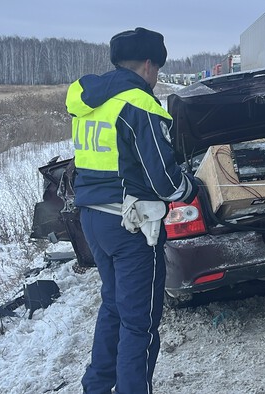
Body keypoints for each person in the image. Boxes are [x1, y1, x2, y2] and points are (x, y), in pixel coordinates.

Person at [67, 27, 199, 394]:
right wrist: (192, 187)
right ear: (147, 64)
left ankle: (95, 387)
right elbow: (163, 181)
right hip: (131, 225)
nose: (156, 78)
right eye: (156, 69)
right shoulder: (138, 105)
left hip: (93, 220)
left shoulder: (89, 100)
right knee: (139, 323)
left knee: (113, 306)